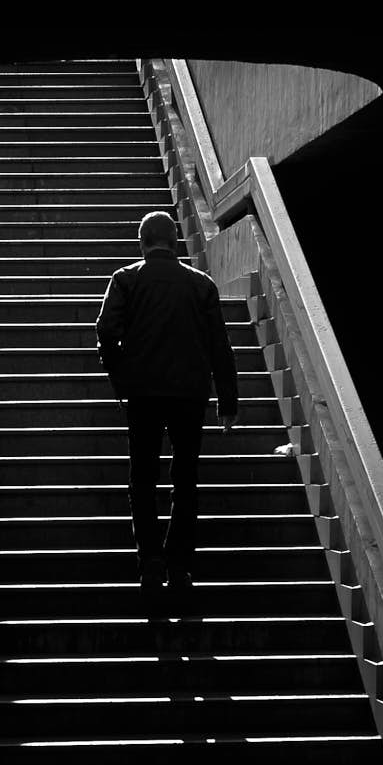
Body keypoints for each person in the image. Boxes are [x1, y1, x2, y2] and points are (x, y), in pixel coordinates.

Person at [94, 210, 240, 620]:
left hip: (142, 393)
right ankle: (179, 564)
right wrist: (226, 402)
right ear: (175, 243)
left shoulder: (126, 280)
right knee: (185, 478)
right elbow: (219, 347)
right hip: (189, 395)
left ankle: (150, 561)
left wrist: (121, 374)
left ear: (143, 243)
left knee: (142, 477)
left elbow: (105, 329)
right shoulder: (201, 286)